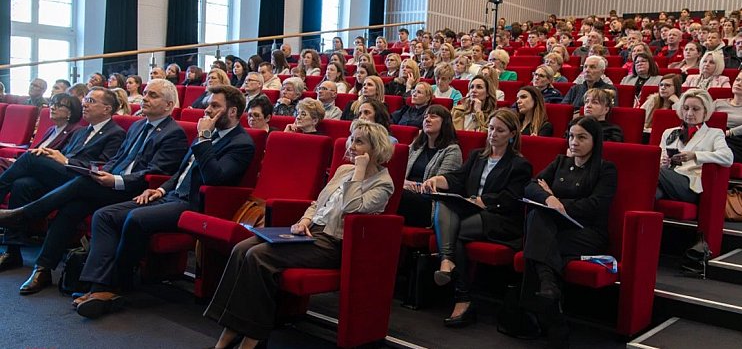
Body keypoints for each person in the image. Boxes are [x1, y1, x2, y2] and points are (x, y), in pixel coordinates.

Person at [204, 120, 394, 349]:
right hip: (309, 232)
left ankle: (250, 340)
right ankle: (229, 334)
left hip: (333, 244)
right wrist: (303, 220)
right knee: (242, 248)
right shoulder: (344, 170)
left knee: (258, 256)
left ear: (376, 148)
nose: (351, 146)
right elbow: (318, 202)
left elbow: (351, 207)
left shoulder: (384, 184)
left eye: (359, 141)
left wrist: (360, 172)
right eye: (351, 139)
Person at [73, 85, 256, 318]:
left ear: (232, 112)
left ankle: (115, 284)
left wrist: (204, 138)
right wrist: (159, 189)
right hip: (171, 197)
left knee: (135, 217)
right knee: (105, 215)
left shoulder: (241, 143)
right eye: (208, 104)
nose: (207, 110)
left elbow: (215, 178)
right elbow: (181, 173)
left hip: (195, 205)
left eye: (215, 106)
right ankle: (99, 286)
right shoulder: (206, 135)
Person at [0, 80, 189, 294]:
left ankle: (24, 214)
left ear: (168, 105)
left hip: (134, 192)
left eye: (152, 95)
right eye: (145, 93)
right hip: (108, 182)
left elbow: (155, 173)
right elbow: (118, 158)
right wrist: (104, 173)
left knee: (54, 170)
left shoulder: (174, 133)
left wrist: (115, 180)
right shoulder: (138, 126)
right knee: (71, 206)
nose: (145, 98)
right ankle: (42, 268)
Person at [421, 109, 533, 328]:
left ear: (512, 134)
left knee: (459, 230)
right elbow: (458, 178)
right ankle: (448, 266)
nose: (493, 134)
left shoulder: (519, 164)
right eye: (490, 128)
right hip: (473, 211)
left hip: (500, 219)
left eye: (500, 130)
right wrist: (438, 179)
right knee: (443, 203)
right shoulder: (477, 156)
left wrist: (482, 201)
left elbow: (512, 197)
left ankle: (461, 294)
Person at [0, 89, 126, 273]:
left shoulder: (115, 133)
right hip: (64, 177)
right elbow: (63, 156)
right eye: (85, 100)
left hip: (82, 180)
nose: (85, 104)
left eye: (90, 101)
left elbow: (102, 167)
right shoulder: (81, 132)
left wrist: (65, 160)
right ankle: (13, 251)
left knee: (30, 158)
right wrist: (53, 157)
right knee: (22, 184)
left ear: (107, 109)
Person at [520, 116, 617, 348]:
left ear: (595, 140)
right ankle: (550, 296)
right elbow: (531, 185)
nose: (574, 142)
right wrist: (549, 197)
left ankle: (542, 305)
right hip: (556, 229)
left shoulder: (606, 169)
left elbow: (596, 205)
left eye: (582, 137)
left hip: (587, 233)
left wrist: (559, 203)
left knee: (538, 230)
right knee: (537, 216)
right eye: (571, 136)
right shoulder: (561, 162)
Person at [656, 89, 733, 203]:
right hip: (666, 180)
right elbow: (660, 160)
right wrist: (663, 162)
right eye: (686, 108)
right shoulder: (669, 132)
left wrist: (695, 155)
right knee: (650, 192)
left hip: (691, 186)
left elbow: (728, 157)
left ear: (705, 111)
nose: (689, 113)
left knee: (652, 172)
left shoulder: (714, 133)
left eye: (695, 109)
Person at [398, 105, 462, 227]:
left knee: (393, 194)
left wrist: (417, 186)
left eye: (433, 117)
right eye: (425, 117)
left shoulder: (452, 150)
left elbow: (441, 187)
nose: (427, 119)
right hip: (407, 193)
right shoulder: (416, 146)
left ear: (445, 122)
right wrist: (404, 183)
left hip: (430, 202)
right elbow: (399, 173)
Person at [0, 94, 83, 174]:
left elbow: (63, 156)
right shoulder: (51, 130)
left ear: (70, 112)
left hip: (43, 168)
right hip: (29, 162)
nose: (53, 108)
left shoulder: (75, 131)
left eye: (59, 105)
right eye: (52, 104)